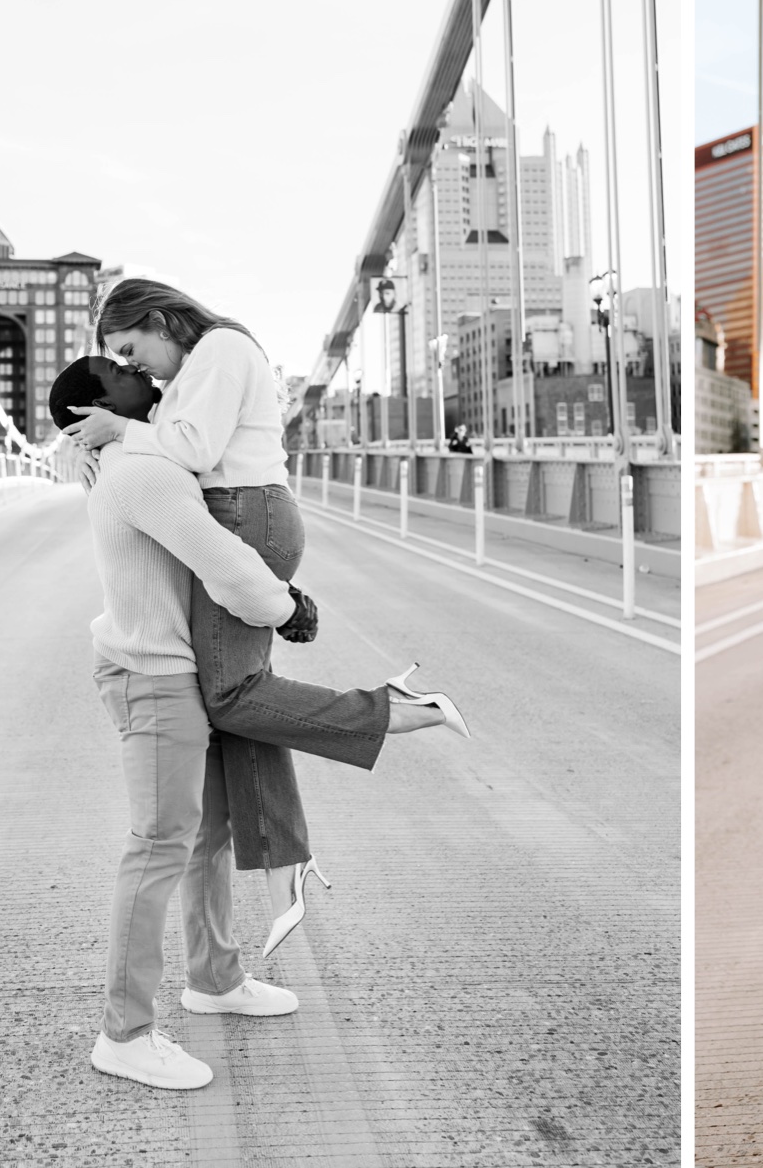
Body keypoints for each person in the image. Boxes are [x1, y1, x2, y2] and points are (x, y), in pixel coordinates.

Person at [59, 355, 466, 1091]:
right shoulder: (142, 474)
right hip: (154, 675)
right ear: (95, 407)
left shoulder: (136, 457)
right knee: (157, 845)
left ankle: (214, 977)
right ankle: (124, 1032)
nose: (135, 367)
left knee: (206, 834)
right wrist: (289, 608)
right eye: (116, 368)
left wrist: (112, 432)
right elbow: (224, 561)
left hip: (175, 669)